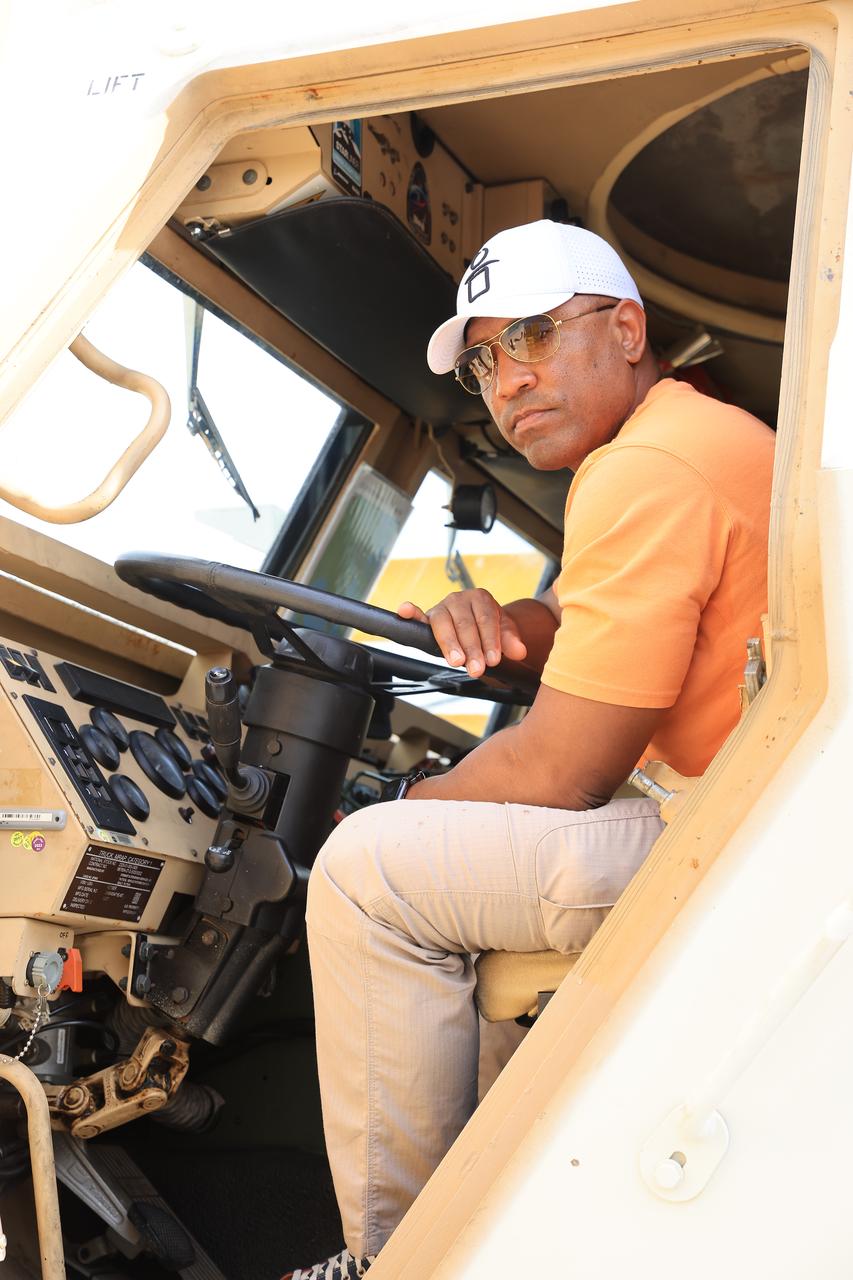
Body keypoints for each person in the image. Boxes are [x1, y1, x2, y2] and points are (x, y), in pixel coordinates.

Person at [282, 220, 774, 1280]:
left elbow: (563, 770)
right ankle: (510, 1230)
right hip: (753, 818)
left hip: (740, 843)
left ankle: (399, 1257)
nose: (507, 382)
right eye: (484, 361)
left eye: (536, 338)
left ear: (625, 329)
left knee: (369, 872)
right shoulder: (680, 440)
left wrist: (414, 798)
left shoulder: (646, 469)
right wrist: (506, 620)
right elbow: (576, 611)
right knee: (463, 905)